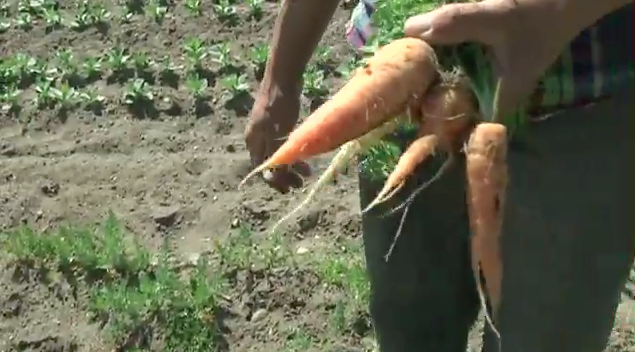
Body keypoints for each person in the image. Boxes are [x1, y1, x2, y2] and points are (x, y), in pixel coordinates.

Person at [245, 0, 634, 351]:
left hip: (582, 96)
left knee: (551, 337)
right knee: (408, 325)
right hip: (406, 81)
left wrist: (556, 13)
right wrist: (281, 74)